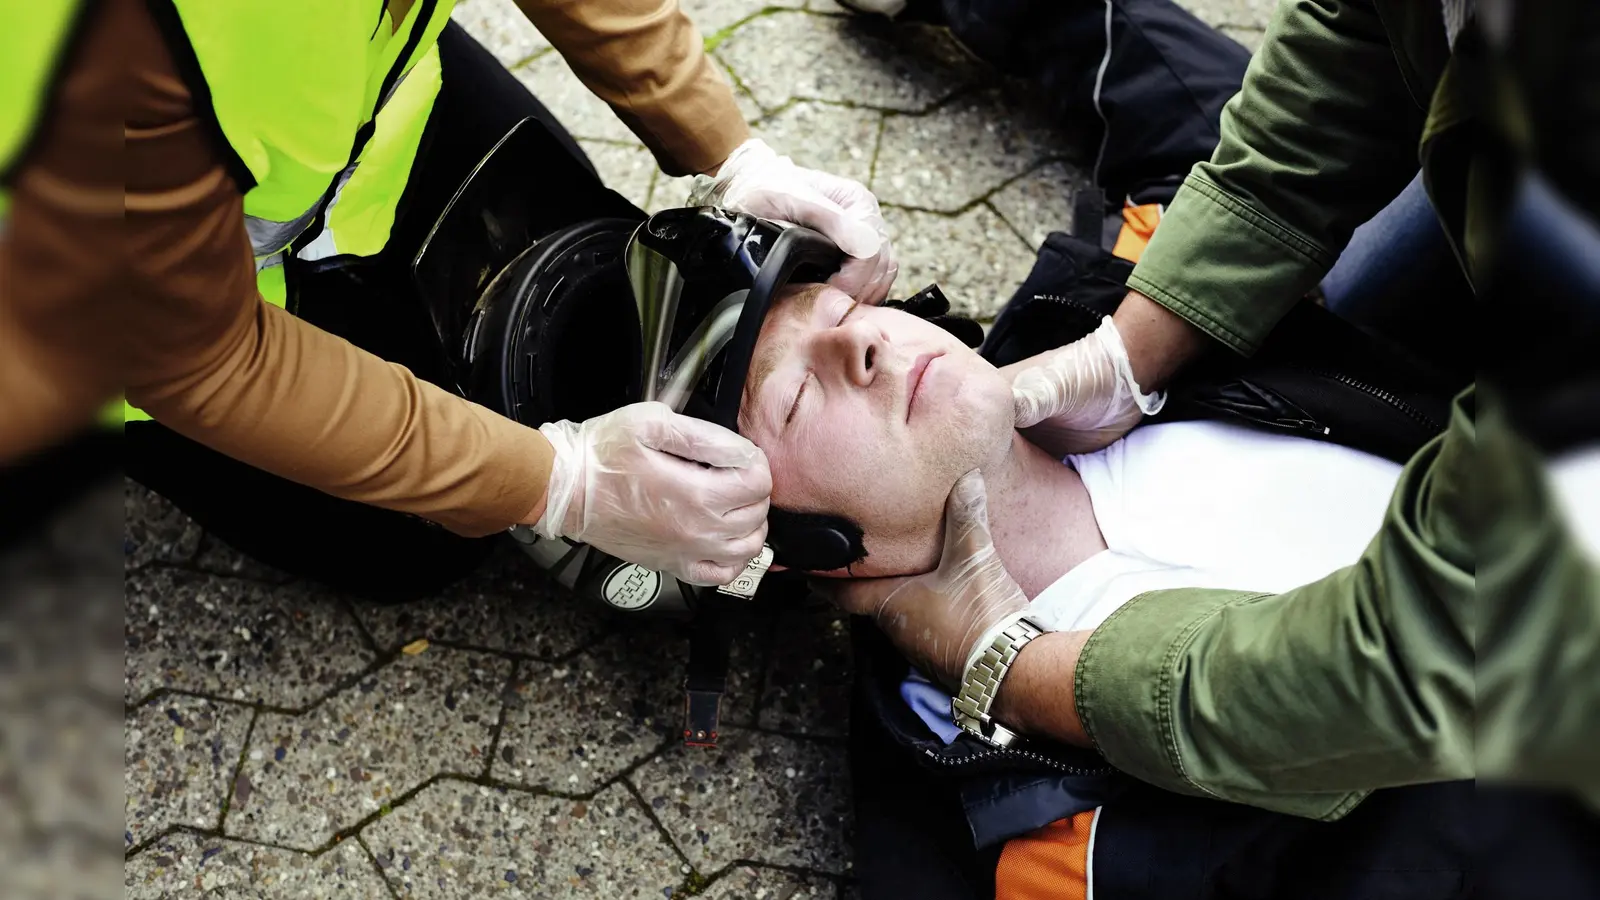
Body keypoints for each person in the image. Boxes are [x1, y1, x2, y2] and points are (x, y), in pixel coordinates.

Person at [0, 0, 896, 599]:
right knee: (415, 541)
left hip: (328, 104)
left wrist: (726, 147)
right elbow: (197, 357)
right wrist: (558, 484)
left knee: (568, 254)